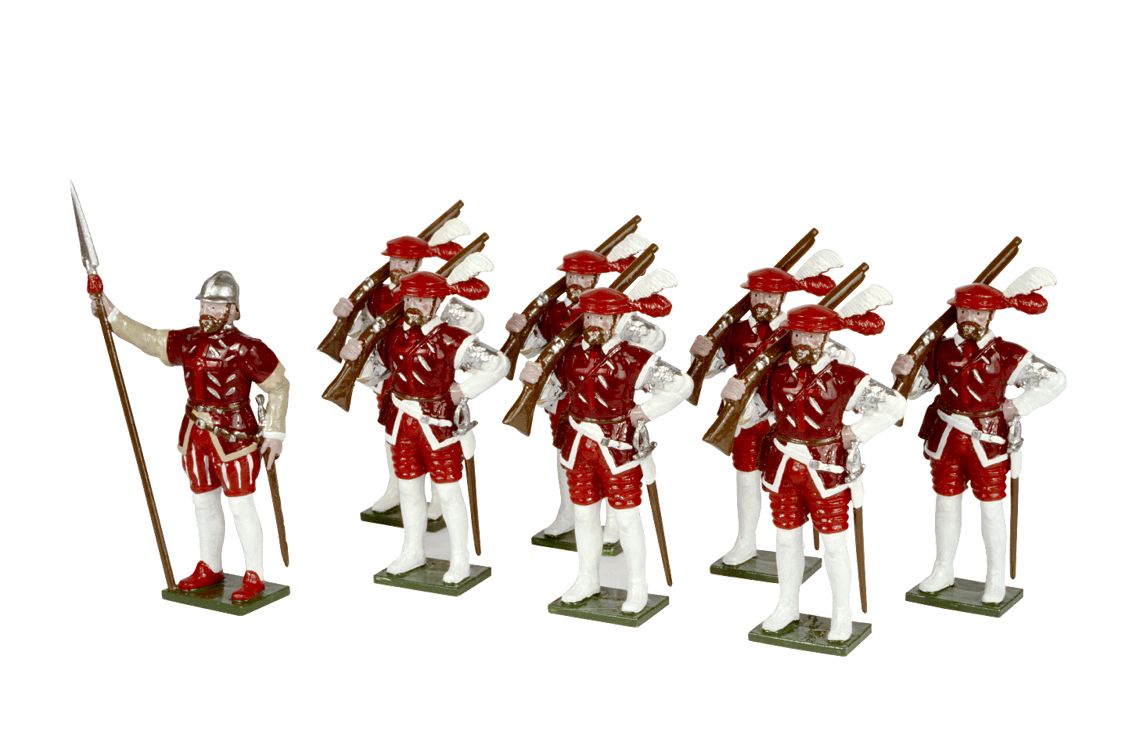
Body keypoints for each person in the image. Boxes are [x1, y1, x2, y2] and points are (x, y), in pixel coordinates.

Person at [95, 271, 289, 602]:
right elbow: (148, 338)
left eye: (215, 307)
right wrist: (109, 311)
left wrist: (273, 432)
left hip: (235, 437)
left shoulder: (248, 348)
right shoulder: (188, 341)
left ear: (233, 310)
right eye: (204, 306)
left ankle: (254, 573)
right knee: (203, 503)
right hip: (195, 435)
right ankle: (210, 565)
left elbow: (279, 386)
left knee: (241, 506)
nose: (207, 312)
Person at [892, 268, 1065, 603]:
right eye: (964, 312)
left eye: (977, 313)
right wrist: (904, 371)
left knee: (991, 508)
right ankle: (943, 569)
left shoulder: (1007, 352)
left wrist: (1018, 406)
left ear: (989, 315)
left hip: (988, 441)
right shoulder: (940, 350)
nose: (969, 318)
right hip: (945, 439)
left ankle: (995, 576)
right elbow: (913, 391)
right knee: (946, 503)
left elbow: (1054, 380)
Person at [520, 272, 690, 613]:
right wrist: (534, 383)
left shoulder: (634, 356)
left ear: (617, 320)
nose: (595, 323)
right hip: (578, 446)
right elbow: (555, 394)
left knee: (626, 520)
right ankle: (587, 579)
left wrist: (644, 412)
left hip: (618, 448)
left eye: (602, 317)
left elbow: (680, 385)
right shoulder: (567, 354)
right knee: (584, 517)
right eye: (590, 316)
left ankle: (638, 586)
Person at [755, 290, 904, 641]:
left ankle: (841, 612)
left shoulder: (845, 376)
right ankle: (787, 605)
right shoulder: (774, 373)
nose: (804, 342)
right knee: (786, 540)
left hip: (826, 470)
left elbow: (894, 405)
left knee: (835, 545)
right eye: (798, 335)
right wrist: (733, 395)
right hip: (783, 467)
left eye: (812, 335)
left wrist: (856, 432)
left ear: (825, 338)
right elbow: (757, 410)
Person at [689, 250, 842, 565]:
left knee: (792, 486)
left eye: (769, 295)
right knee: (746, 479)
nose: (762, 300)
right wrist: (700, 354)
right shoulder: (738, 331)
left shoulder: (795, 328)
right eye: (757, 294)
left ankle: (792, 549)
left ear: (782, 298)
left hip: (794, 421)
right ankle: (746, 541)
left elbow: (836, 359)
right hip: (748, 416)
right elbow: (715, 366)